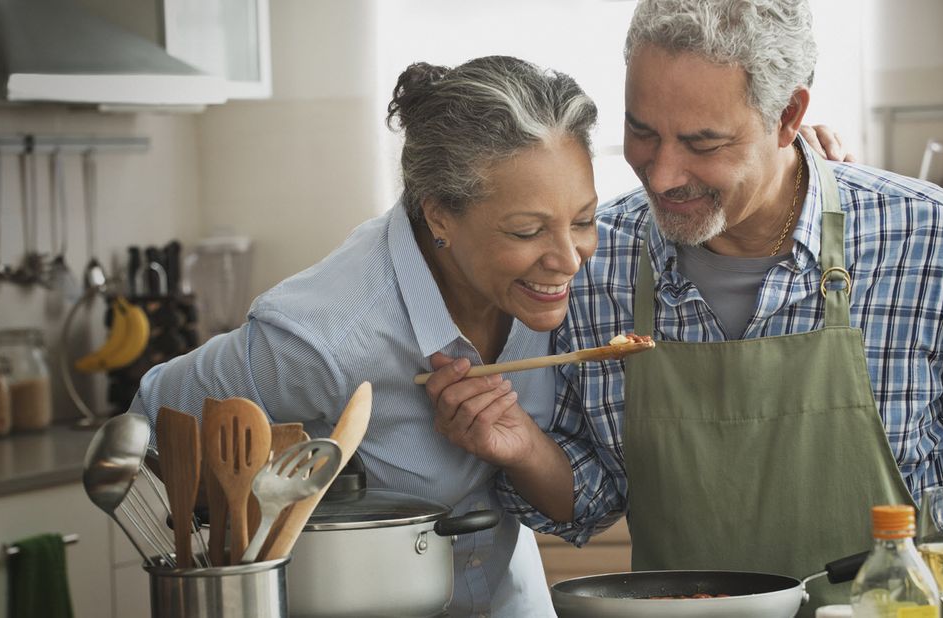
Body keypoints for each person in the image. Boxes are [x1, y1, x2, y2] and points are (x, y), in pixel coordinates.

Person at [421, 1, 943, 615]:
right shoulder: (594, 262)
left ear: (787, 116)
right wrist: (520, 446)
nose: (663, 174)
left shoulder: (934, 241)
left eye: (704, 142)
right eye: (642, 131)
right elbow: (595, 498)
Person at [130, 54, 600, 617]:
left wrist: (523, 444)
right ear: (440, 217)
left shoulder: (555, 293)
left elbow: (577, 505)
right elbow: (152, 417)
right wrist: (255, 520)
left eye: (583, 220)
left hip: (508, 600)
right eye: (527, 231)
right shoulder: (323, 334)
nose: (569, 259)